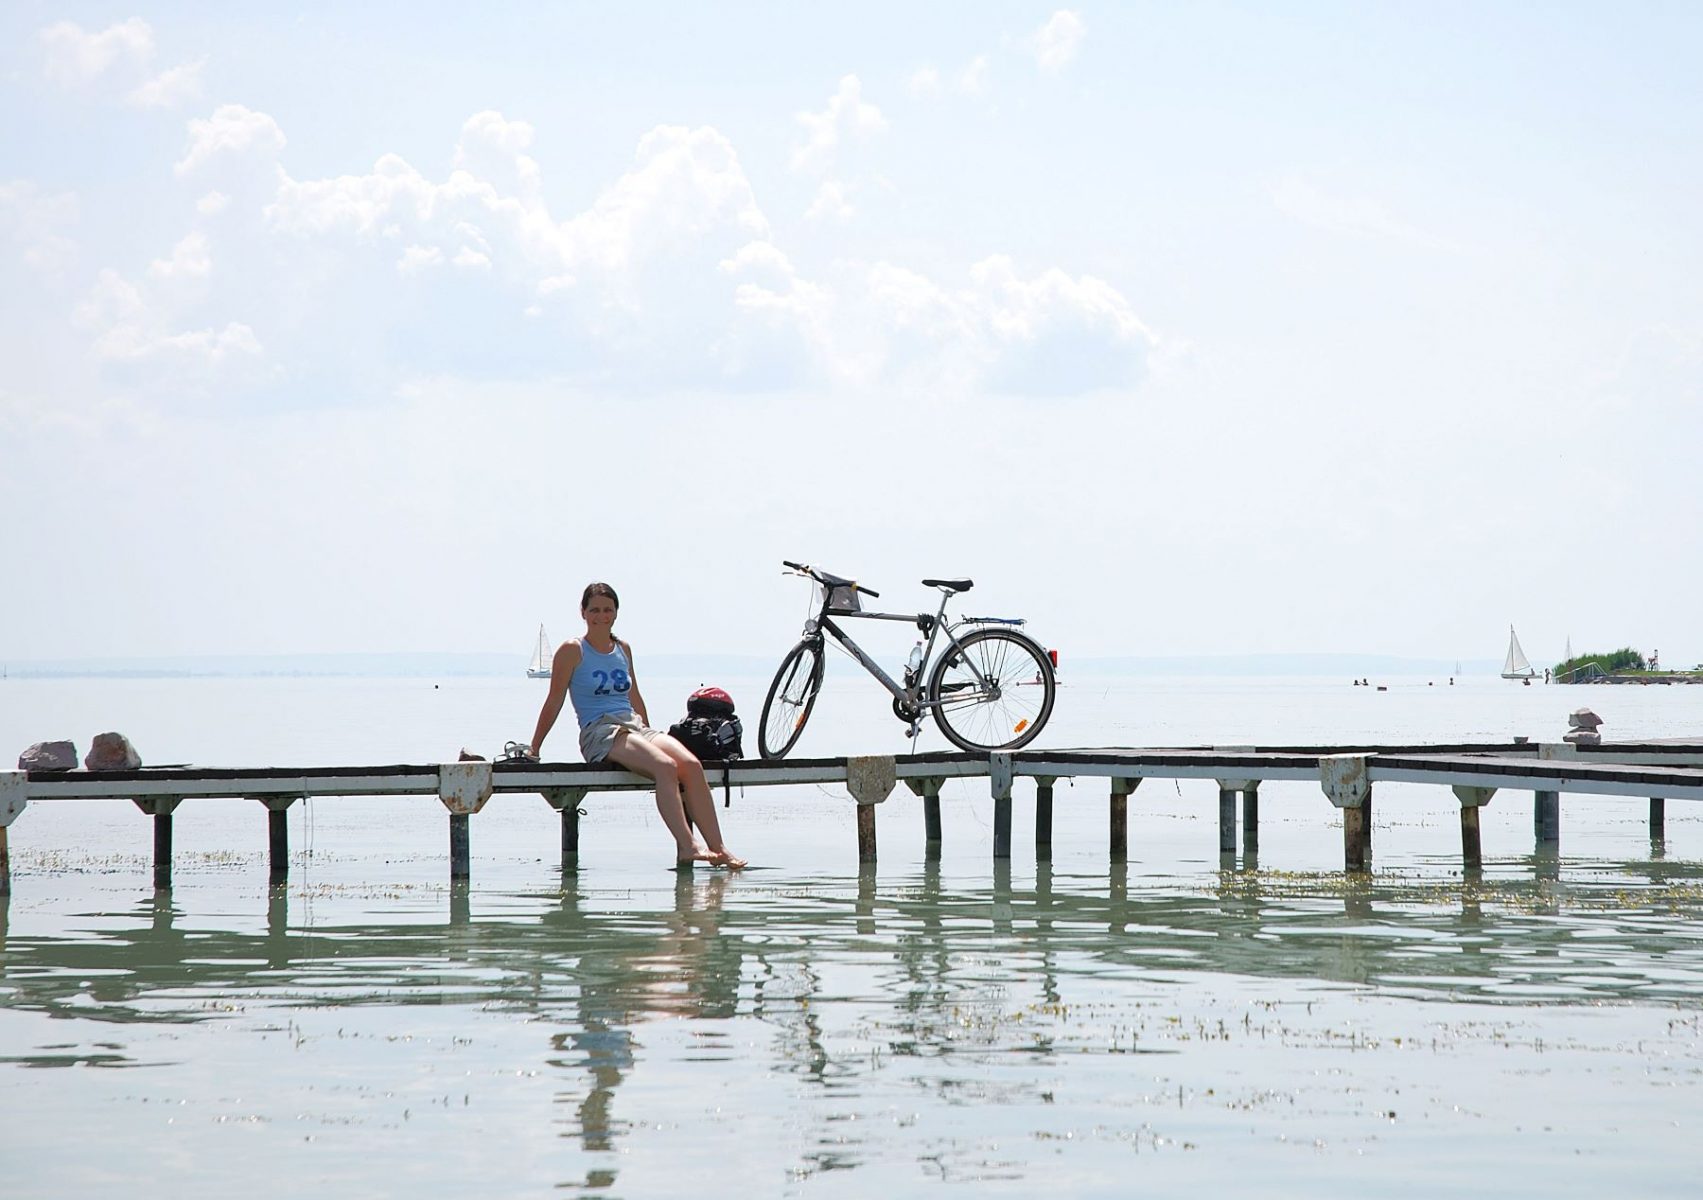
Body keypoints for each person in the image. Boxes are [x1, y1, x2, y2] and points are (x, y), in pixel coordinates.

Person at [527, 583, 746, 869]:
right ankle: (689, 845)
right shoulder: (572, 650)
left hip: (635, 727)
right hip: (601, 731)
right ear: (583, 612)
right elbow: (554, 701)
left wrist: (649, 734)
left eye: (608, 610)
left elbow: (635, 696)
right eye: (594, 610)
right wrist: (535, 747)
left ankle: (719, 850)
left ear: (616, 613)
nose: (601, 616)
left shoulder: (623, 649)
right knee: (664, 766)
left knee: (691, 765)